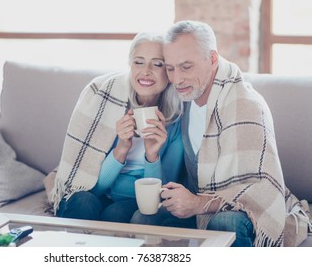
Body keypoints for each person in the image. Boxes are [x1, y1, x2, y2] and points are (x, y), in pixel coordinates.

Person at [131, 20, 311, 247]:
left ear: (213, 59)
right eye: (170, 68)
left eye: (186, 67)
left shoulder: (245, 105)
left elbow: (261, 190)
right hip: (196, 204)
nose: (177, 79)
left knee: (226, 222)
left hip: (240, 211)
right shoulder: (181, 99)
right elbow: (139, 77)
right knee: (142, 218)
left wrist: (198, 203)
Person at [43, 32, 184, 223]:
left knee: (116, 214)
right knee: (81, 201)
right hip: (99, 190)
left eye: (157, 64)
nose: (146, 71)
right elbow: (94, 187)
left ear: (168, 71)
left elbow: (159, 195)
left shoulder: (176, 122)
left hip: (135, 200)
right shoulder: (108, 107)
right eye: (139, 62)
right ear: (130, 66)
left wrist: (152, 155)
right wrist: (122, 148)